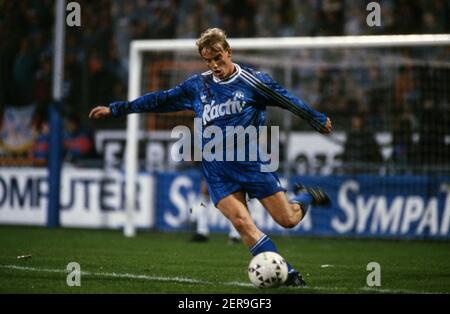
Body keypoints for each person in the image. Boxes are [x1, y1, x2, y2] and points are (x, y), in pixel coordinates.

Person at [89, 28, 332, 286]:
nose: (214, 65)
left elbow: (288, 99)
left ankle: (305, 195)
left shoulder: (254, 81)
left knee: (288, 220)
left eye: (218, 57)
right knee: (241, 223)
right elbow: (159, 100)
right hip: (217, 170)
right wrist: (117, 110)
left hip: (252, 163)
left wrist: (317, 120)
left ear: (228, 52)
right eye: (208, 60)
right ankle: (288, 273)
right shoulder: (197, 86)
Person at [190, 177, 241, 244]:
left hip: (227, 170)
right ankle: (202, 232)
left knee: (230, 196)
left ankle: (235, 235)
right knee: (204, 192)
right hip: (212, 168)